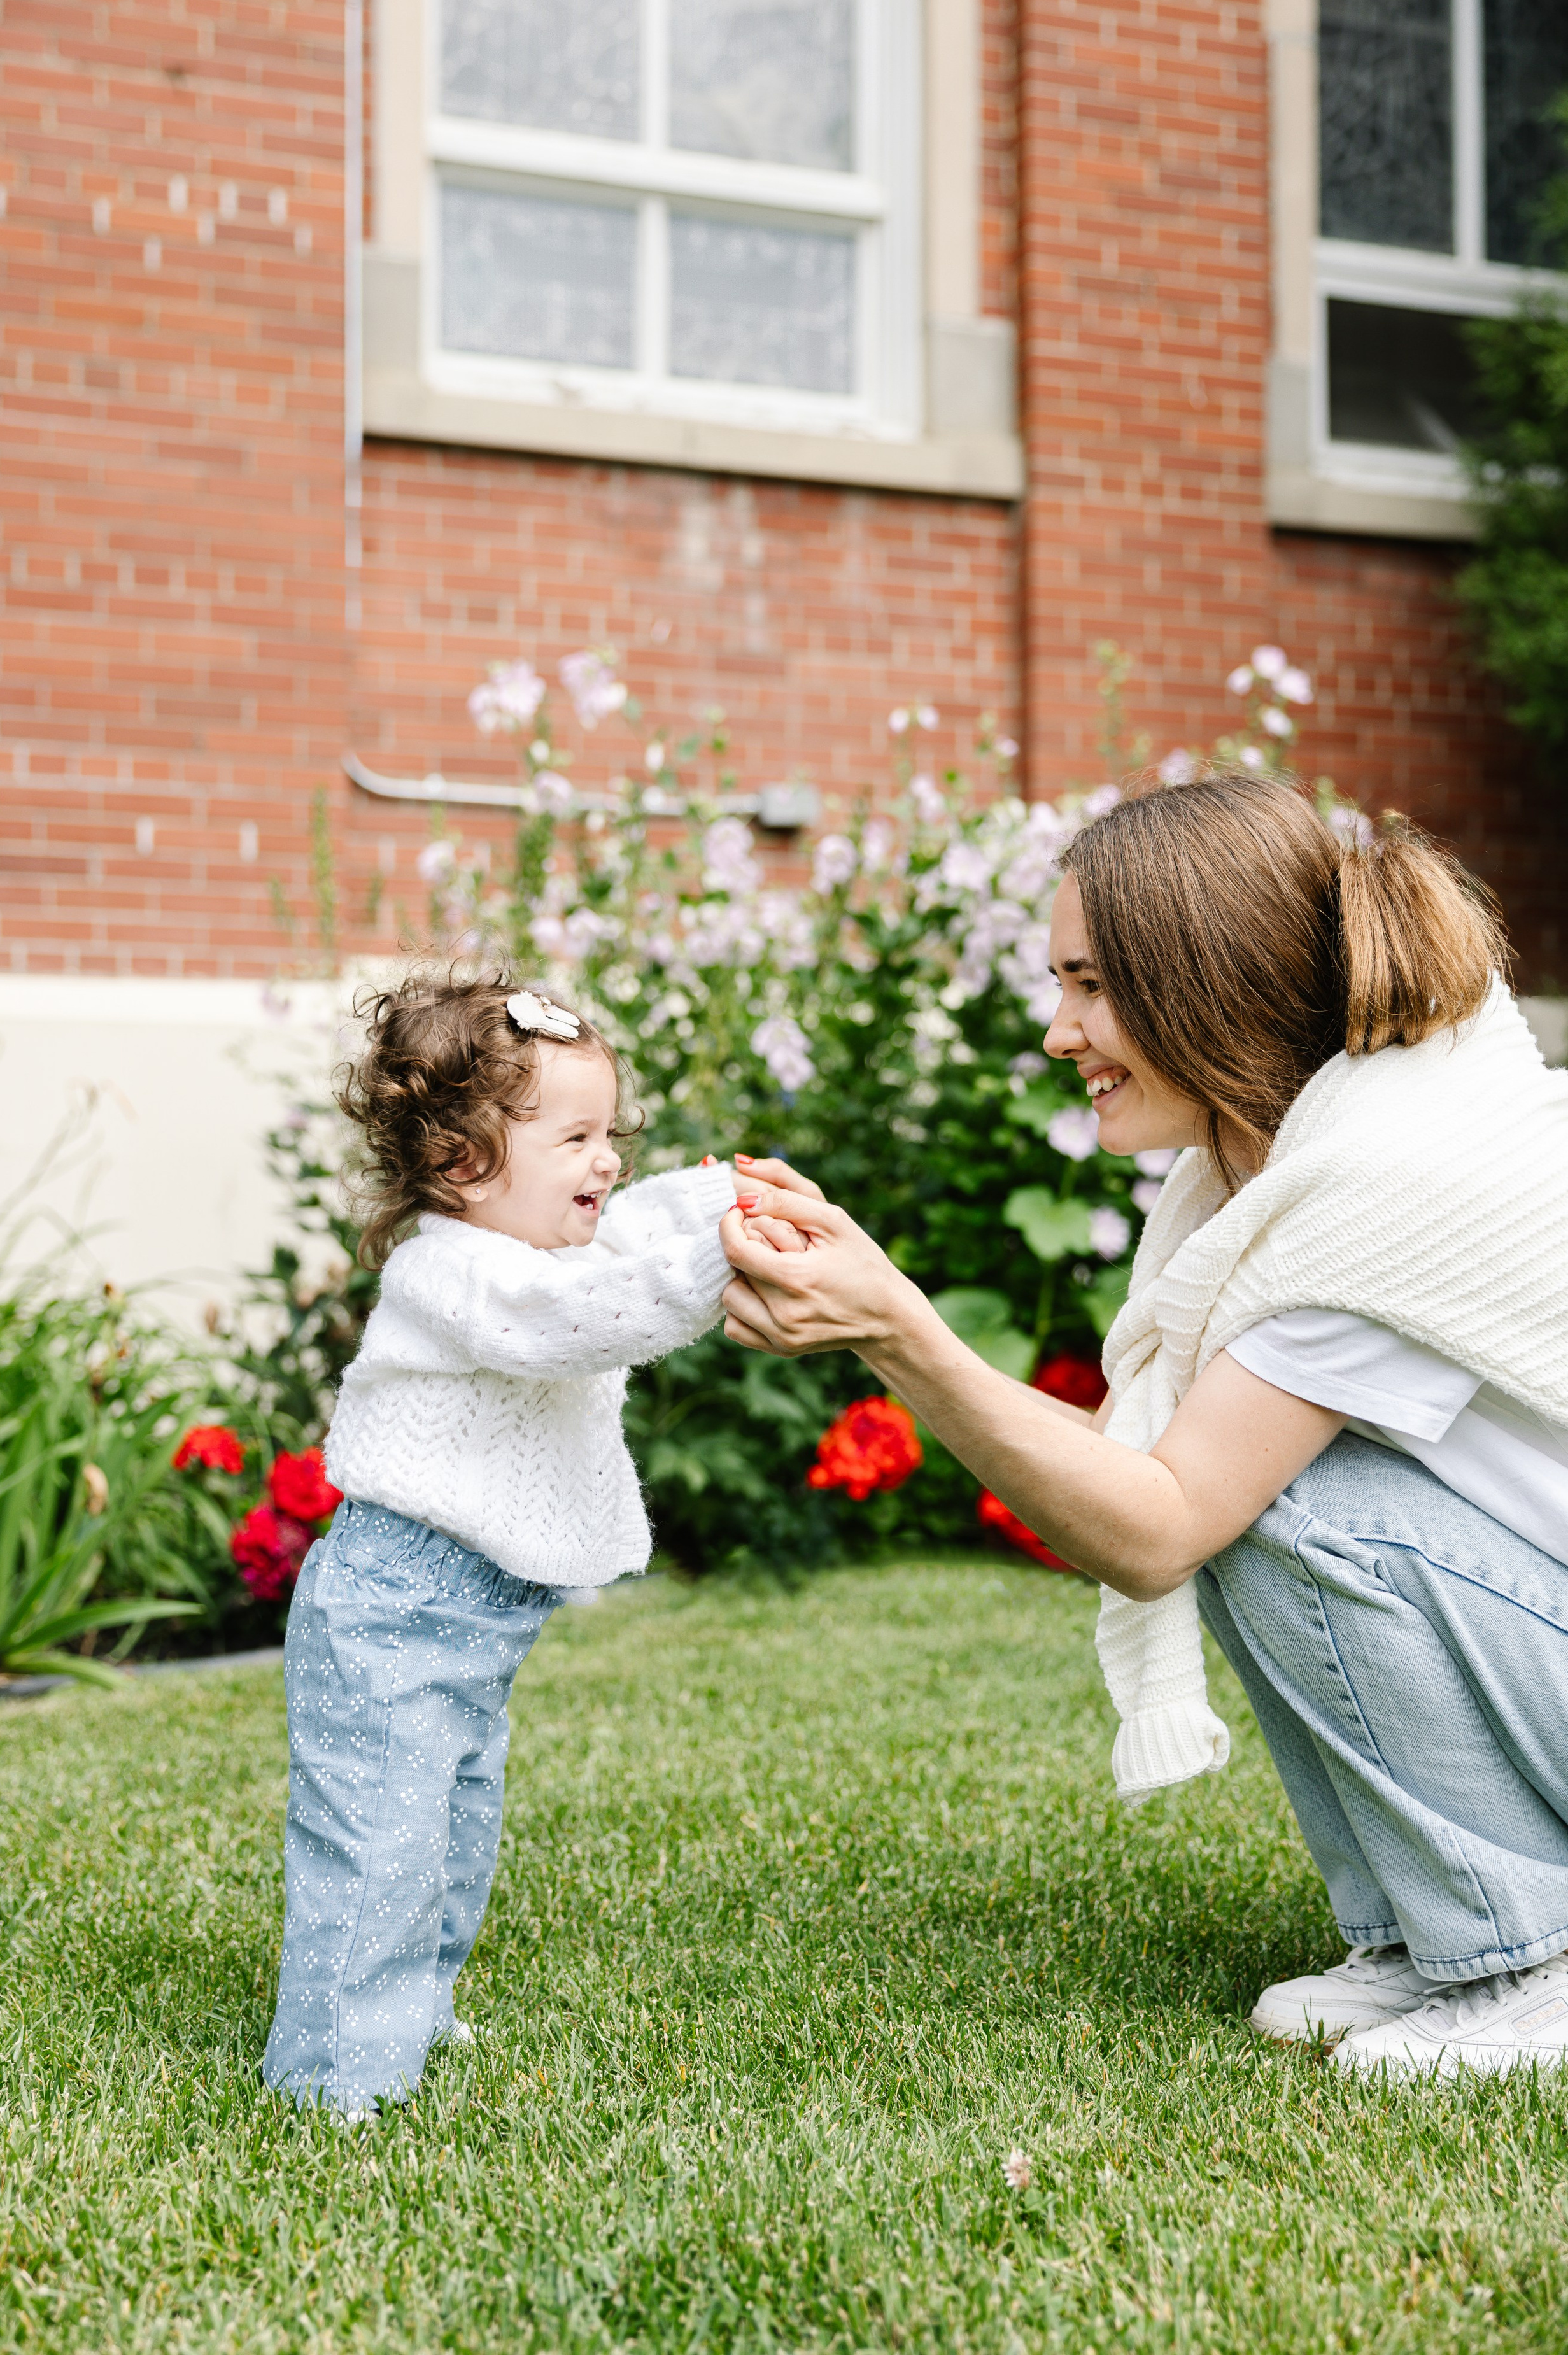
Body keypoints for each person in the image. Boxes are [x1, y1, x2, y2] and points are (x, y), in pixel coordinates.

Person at [719, 775, 1568, 2079]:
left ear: (1202, 981)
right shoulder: (1280, 1167)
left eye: (1089, 985)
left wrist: (896, 1325)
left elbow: (1155, 1521)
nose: (1058, 1031)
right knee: (1258, 1495)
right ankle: (1420, 1926)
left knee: (1272, 1506)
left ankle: (1526, 1953)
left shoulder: (1378, 1186)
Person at [262, 965, 762, 2121]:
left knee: (448, 1832)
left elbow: (631, 1225)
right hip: (391, 1606)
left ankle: (413, 2007)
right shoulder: (456, 1271)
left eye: (611, 1132)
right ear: (462, 1165)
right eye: (578, 1137)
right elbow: (577, 1324)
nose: (609, 1161)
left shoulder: (530, 1242)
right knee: (377, 1838)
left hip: (468, 1622)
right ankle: (334, 2073)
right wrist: (714, 1262)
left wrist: (719, 1198)